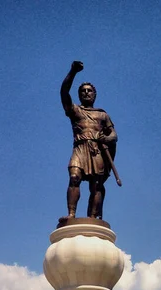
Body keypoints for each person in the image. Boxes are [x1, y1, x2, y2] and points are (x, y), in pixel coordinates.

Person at [60, 61, 118, 220]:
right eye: (83, 91)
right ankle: (71, 214)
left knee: (97, 186)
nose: (86, 93)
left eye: (89, 91)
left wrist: (105, 138)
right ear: (79, 95)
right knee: (74, 177)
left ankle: (92, 218)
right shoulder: (75, 111)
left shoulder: (102, 115)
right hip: (79, 149)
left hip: (96, 152)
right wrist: (72, 72)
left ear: (94, 94)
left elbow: (114, 136)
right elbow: (64, 92)